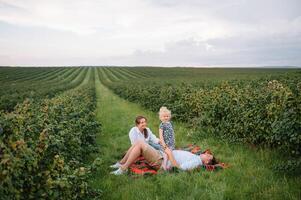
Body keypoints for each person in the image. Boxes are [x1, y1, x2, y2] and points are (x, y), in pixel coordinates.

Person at [110, 141, 222, 175]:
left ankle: (123, 169)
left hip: (162, 161)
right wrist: (168, 152)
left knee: (140, 145)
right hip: (163, 155)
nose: (206, 153)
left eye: (208, 155)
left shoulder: (196, 162)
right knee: (139, 142)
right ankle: (121, 163)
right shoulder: (196, 156)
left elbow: (179, 168)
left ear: (207, 161)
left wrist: (169, 154)